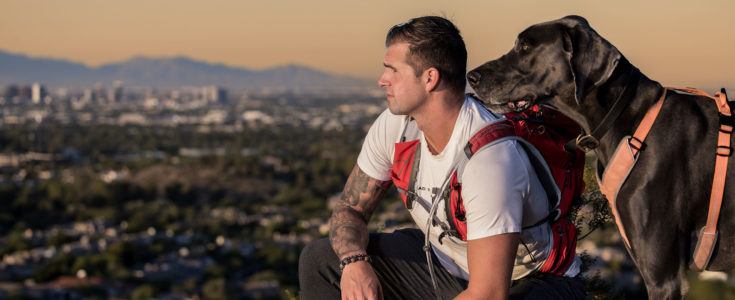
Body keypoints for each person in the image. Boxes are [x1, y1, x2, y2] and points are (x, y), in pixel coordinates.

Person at [298, 16, 586, 300]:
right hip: (447, 265)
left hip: (525, 280)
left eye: (392, 70)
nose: (382, 80)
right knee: (321, 261)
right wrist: (354, 262)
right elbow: (350, 210)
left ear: (430, 78)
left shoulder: (489, 158)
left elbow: (487, 293)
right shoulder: (396, 126)